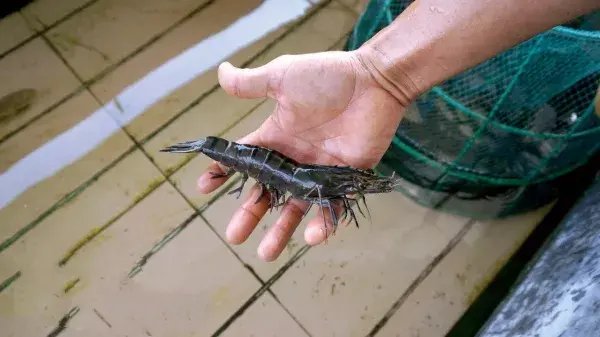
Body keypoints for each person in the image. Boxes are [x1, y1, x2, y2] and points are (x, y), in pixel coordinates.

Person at [196, 0, 600, 262]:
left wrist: (381, 74)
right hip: (255, 161)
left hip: (276, 167)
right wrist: (379, 73)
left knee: (334, 190)